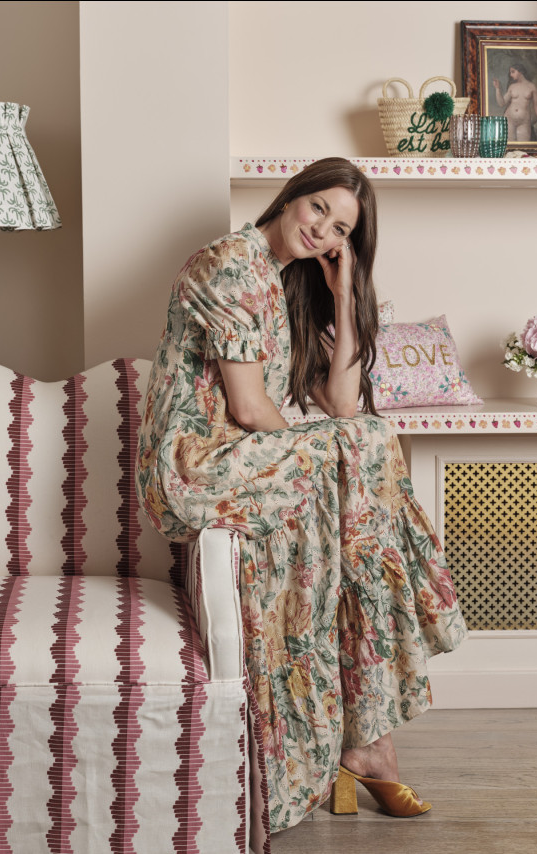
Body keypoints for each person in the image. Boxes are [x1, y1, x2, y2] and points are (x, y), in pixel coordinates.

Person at [136, 157, 467, 835]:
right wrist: (328, 466)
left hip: (245, 461)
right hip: (194, 468)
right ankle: (384, 710)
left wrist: (345, 295)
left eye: (340, 229)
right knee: (364, 450)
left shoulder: (285, 281)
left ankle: (365, 742)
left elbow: (342, 402)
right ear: (292, 197)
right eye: (318, 208)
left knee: (360, 455)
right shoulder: (230, 264)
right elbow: (254, 410)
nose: (322, 230)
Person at [493, 62, 537, 143]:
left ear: (520, 72)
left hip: (524, 121)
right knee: (510, 146)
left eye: (513, 72)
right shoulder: (512, 87)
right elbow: (502, 103)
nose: (511, 75)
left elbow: (536, 105)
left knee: (523, 146)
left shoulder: (532, 86)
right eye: (510, 72)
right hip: (509, 120)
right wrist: (497, 89)